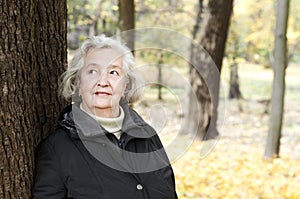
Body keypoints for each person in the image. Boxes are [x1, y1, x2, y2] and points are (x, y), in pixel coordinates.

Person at [32, 35, 178, 199]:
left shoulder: (147, 135)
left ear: (125, 85)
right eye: (92, 71)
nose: (103, 81)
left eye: (114, 72)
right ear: (78, 83)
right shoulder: (56, 149)